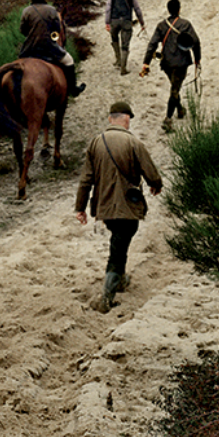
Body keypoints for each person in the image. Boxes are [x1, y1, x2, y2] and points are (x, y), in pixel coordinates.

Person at [75, 101, 163, 313]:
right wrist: (156, 185)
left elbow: (86, 179)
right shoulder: (133, 143)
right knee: (119, 247)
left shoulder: (96, 142)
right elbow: (151, 174)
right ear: (126, 118)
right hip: (128, 205)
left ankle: (121, 280)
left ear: (109, 119)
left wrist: (80, 207)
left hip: (105, 207)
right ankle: (107, 295)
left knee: (119, 240)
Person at [140, 0, 201, 128]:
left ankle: (180, 110)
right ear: (179, 9)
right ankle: (168, 119)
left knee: (175, 86)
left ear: (168, 10)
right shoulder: (186, 24)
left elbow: (152, 44)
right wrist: (197, 59)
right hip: (181, 63)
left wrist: (146, 62)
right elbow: (195, 42)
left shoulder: (161, 25)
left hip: (166, 63)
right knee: (175, 89)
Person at [18, 0, 85, 100]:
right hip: (49, 48)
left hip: (30, 48)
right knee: (69, 60)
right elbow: (57, 29)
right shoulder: (52, 10)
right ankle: (73, 89)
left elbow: (22, 31)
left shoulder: (26, 11)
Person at [104, 0, 145, 75]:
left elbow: (108, 8)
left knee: (114, 40)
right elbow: (137, 9)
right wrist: (142, 22)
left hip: (114, 21)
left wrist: (107, 22)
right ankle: (123, 68)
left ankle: (118, 60)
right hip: (126, 21)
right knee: (125, 45)